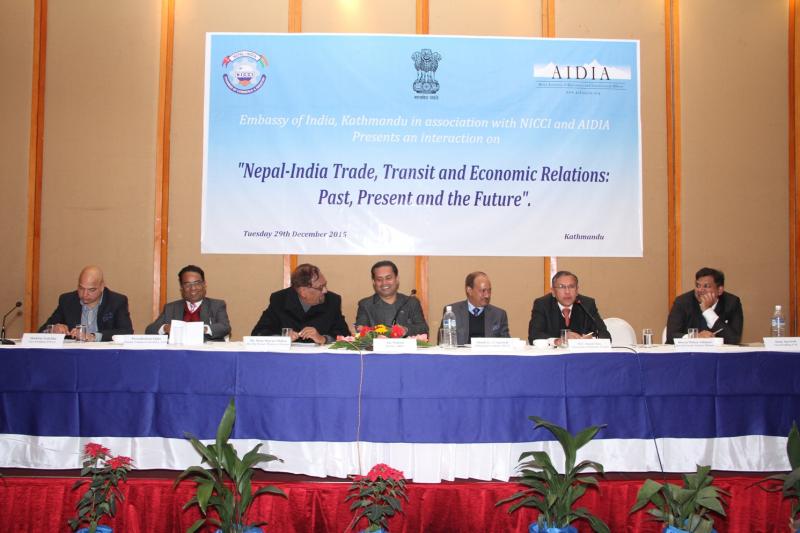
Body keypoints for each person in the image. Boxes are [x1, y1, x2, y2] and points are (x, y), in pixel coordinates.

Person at [251, 263, 350, 344]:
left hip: (320, 359)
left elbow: (344, 334)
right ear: (303, 291)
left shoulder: (332, 300)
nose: (325, 291)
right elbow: (259, 333)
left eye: (325, 285)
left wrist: (323, 339)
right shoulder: (280, 300)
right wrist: (282, 338)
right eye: (321, 287)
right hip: (286, 358)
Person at [39, 265, 133, 342]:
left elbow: (126, 332)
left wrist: (93, 336)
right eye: (81, 288)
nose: (84, 294)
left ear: (102, 286)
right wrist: (53, 329)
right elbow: (41, 331)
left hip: (104, 354)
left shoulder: (116, 301)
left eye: (91, 290)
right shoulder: (67, 301)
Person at [145, 265, 231, 341]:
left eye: (197, 283)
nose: (193, 288)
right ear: (181, 287)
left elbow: (225, 327)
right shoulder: (171, 307)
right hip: (178, 351)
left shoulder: (217, 305)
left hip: (207, 351)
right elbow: (150, 330)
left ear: (204, 284)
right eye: (187, 284)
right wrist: (165, 328)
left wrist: (202, 329)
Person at [528, 270, 611, 345]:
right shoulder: (542, 304)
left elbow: (605, 335)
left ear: (577, 290)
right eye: (561, 287)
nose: (567, 292)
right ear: (553, 291)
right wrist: (557, 341)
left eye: (571, 286)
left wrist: (591, 339)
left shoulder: (587, 304)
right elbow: (534, 335)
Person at [666, 267, 743, 344]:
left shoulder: (731, 303)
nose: (700, 290)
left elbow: (734, 339)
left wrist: (707, 311)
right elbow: (671, 336)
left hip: (719, 351)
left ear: (719, 290)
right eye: (698, 285)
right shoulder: (683, 302)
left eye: (706, 286)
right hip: (688, 351)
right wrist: (695, 337)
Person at [355, 260, 428, 337]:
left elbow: (423, 329)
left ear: (397, 279)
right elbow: (361, 332)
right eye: (379, 279)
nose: (384, 283)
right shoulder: (365, 304)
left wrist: (406, 330)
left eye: (388, 278)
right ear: (374, 282)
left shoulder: (411, 302)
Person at [440, 271, 510, 345]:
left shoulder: (499, 315)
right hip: (461, 353)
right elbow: (443, 342)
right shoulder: (453, 312)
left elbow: (507, 344)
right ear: (469, 290)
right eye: (483, 291)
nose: (487, 295)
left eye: (489, 290)